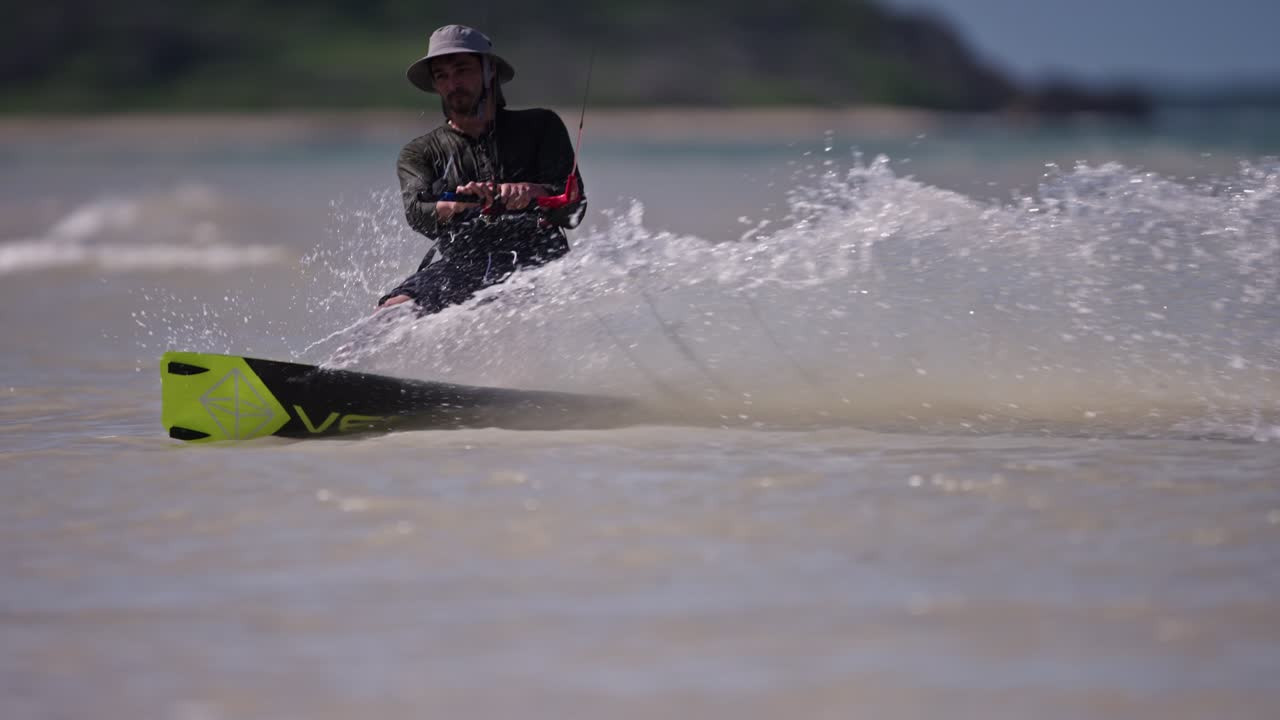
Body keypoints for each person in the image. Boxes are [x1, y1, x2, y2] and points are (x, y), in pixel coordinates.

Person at [378, 24, 586, 314]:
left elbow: (574, 211)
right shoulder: (420, 152)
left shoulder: (541, 127)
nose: (453, 84)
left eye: (462, 70)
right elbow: (417, 214)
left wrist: (532, 192)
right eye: (442, 76)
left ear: (490, 71)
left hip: (538, 261)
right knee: (392, 309)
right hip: (463, 265)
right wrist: (453, 204)